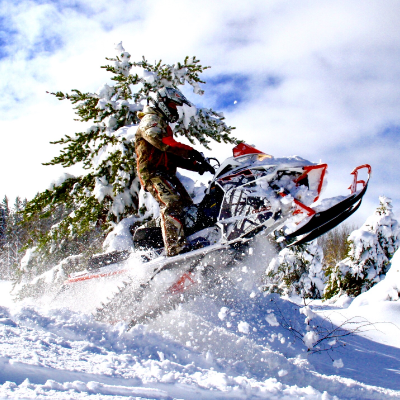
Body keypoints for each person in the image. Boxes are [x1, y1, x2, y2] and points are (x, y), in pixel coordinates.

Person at [135, 87, 214, 256]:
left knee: (187, 209)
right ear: (161, 102)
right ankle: (175, 249)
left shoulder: (163, 124)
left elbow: (171, 156)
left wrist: (196, 165)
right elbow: (162, 141)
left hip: (166, 174)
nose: (174, 110)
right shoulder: (150, 119)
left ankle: (191, 240)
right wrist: (190, 151)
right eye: (172, 106)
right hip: (153, 174)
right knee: (171, 203)